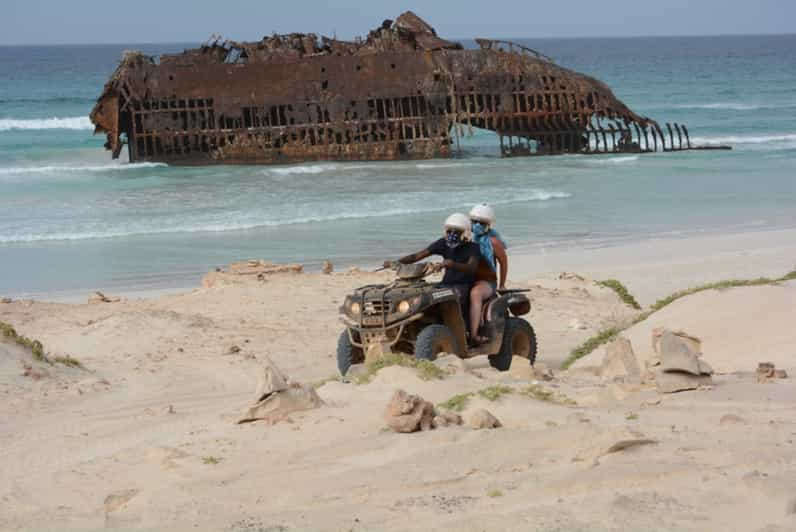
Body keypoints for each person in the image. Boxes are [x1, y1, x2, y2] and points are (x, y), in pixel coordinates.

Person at [384, 213, 480, 326]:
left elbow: (471, 268)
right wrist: (396, 262)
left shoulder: (473, 247)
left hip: (463, 285)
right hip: (446, 284)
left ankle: (463, 328)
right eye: (449, 231)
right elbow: (417, 256)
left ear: (466, 232)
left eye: (457, 231)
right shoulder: (443, 243)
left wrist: (453, 264)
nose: (452, 234)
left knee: (455, 301)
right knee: (423, 299)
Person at [468, 203, 508, 345]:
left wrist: (502, 284)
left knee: (475, 294)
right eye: (474, 221)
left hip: (486, 281)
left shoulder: (493, 242)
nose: (477, 225)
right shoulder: (468, 238)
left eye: (481, 222)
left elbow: (503, 262)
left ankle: (474, 335)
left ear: (488, 224)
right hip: (469, 278)